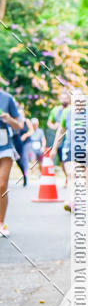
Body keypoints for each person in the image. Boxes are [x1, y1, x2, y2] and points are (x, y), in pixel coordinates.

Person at [0, 89, 24, 237]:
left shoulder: (7, 98)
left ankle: (1, 223)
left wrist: (9, 119)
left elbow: (19, 125)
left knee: (2, 185)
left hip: (5, 146)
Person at [47, 89, 70, 186]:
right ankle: (67, 176)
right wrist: (54, 126)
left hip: (69, 139)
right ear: (60, 99)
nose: (64, 100)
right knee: (62, 161)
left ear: (69, 99)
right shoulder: (55, 110)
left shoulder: (71, 110)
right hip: (60, 139)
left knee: (68, 160)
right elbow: (49, 122)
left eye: (66, 98)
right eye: (62, 98)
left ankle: (70, 178)